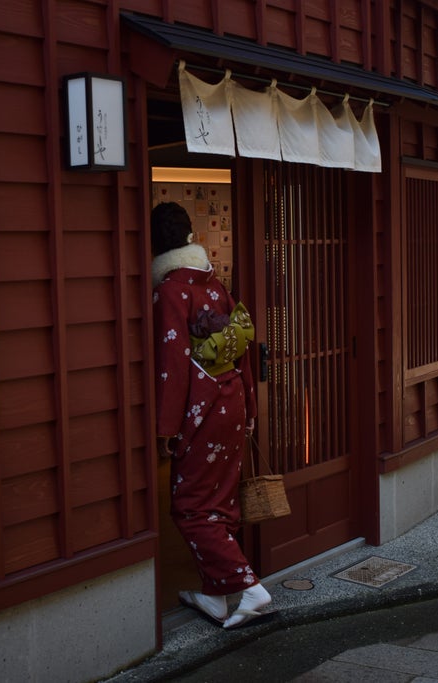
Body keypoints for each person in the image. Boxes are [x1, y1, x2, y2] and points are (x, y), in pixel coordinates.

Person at [151, 201, 271, 629]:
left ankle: (249, 587)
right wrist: (252, 408)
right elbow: (242, 354)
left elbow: (174, 362)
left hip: (199, 412)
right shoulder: (214, 286)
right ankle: (217, 597)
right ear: (189, 238)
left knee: (189, 508)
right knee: (218, 502)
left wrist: (166, 428)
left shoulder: (170, 291)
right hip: (232, 402)